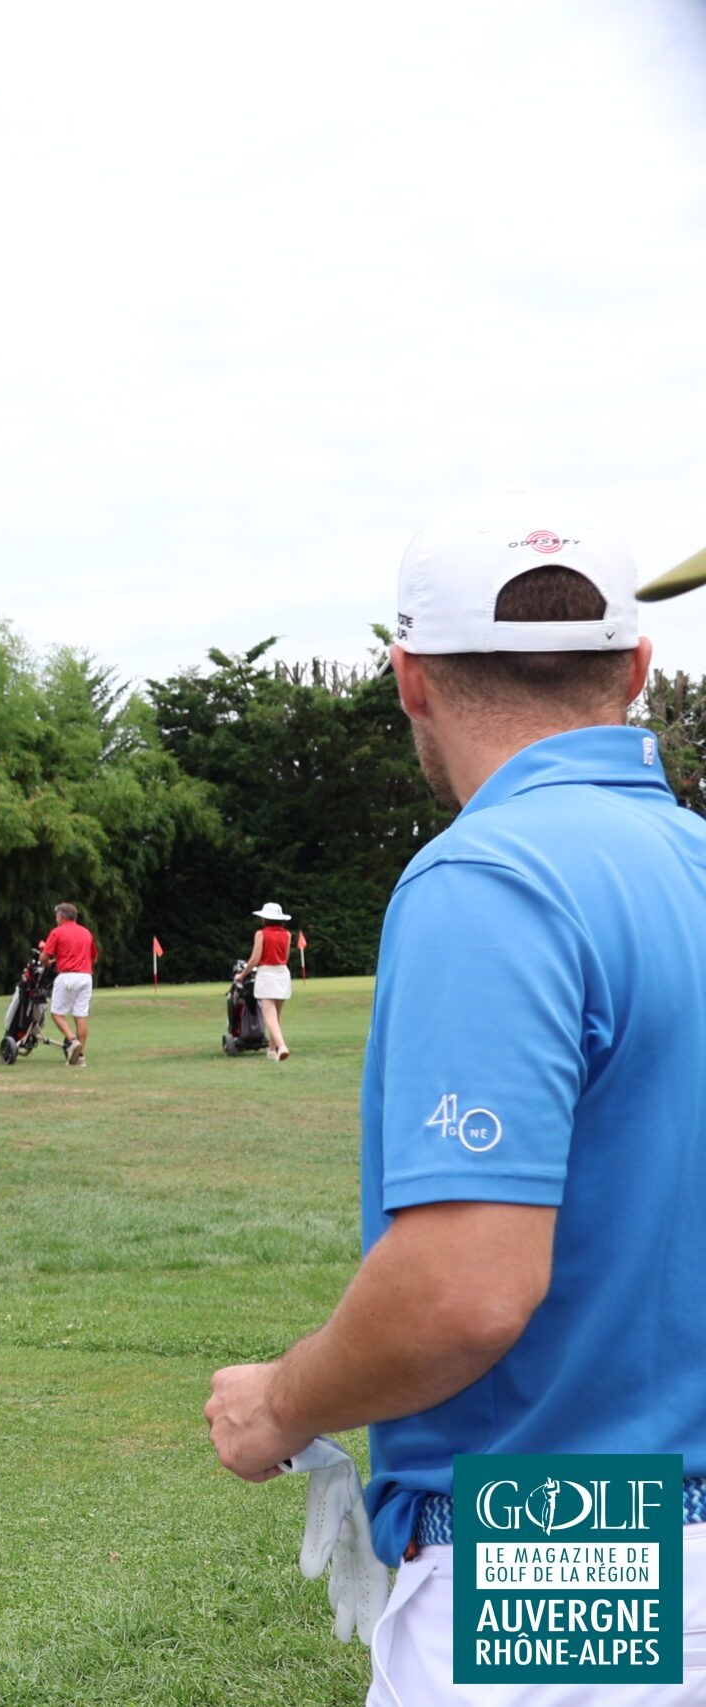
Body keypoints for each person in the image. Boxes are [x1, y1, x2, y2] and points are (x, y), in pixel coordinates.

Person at [206, 495, 706, 1705]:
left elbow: (462, 1293)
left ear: (409, 677)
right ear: (637, 668)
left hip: (565, 1536)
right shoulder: (690, 860)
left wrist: (278, 1403)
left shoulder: (490, 874)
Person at [37, 902, 96, 1065]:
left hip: (67, 976)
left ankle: (72, 1040)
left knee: (57, 1013)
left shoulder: (57, 932)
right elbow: (94, 957)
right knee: (81, 1015)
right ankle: (80, 1057)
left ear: (62, 916)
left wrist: (49, 965)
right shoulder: (86, 933)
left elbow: (44, 957)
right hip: (86, 976)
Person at [245, 902, 294, 1061]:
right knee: (276, 1014)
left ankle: (282, 1046)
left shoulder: (261, 934)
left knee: (269, 1014)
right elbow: (286, 957)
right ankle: (272, 1051)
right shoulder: (287, 935)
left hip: (267, 973)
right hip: (282, 973)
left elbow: (254, 959)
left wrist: (242, 974)